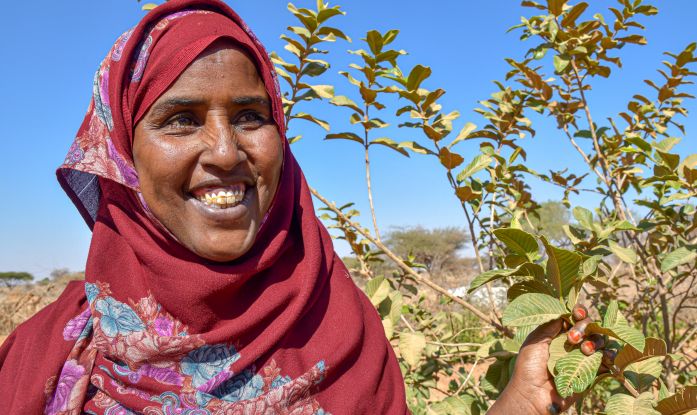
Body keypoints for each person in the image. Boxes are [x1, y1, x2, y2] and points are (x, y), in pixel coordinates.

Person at [0, 0, 592, 413]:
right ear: (122, 154)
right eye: (180, 119)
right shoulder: (55, 352)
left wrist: (520, 402)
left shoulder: (338, 325)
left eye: (251, 117)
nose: (227, 152)